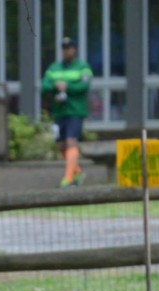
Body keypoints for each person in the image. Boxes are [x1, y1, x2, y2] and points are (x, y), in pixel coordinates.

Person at [41, 36, 93, 187]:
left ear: (74, 49)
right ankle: (77, 172)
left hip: (75, 111)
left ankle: (68, 179)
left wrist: (67, 86)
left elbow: (84, 86)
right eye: (63, 48)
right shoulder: (54, 68)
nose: (66, 51)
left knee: (71, 141)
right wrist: (56, 86)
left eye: (69, 48)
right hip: (59, 112)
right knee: (61, 146)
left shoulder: (83, 67)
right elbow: (45, 85)